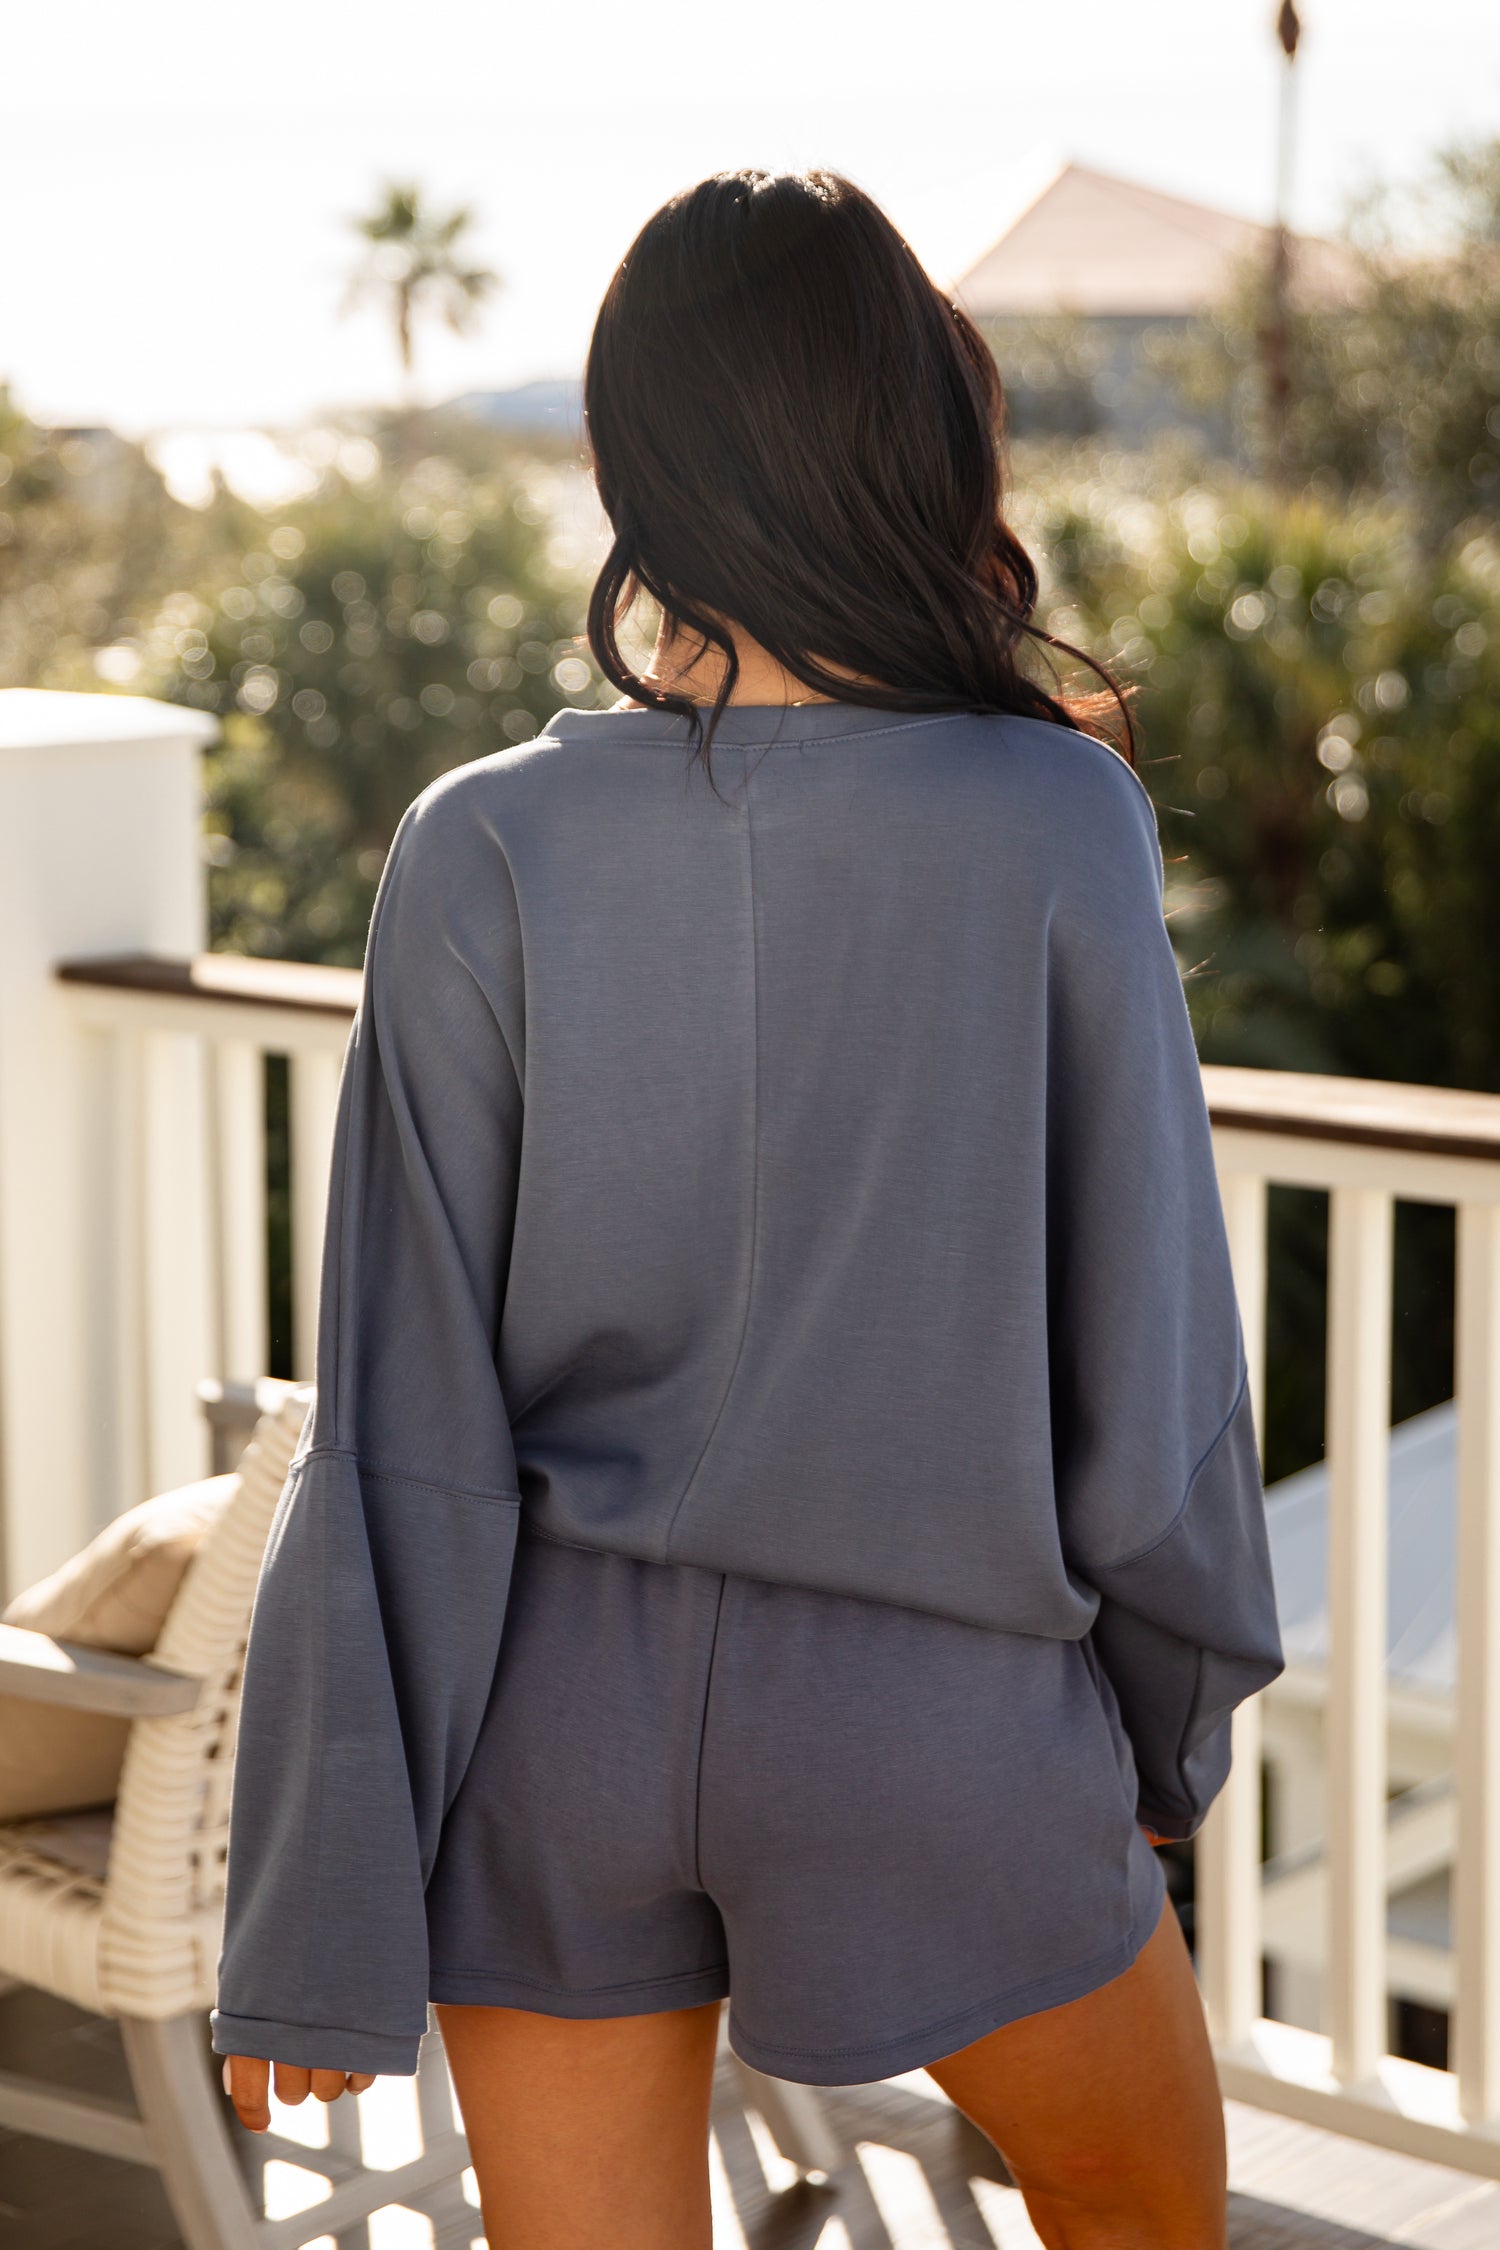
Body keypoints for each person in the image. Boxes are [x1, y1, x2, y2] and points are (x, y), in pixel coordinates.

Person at [213, 169, 1284, 2250]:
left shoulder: (477, 843)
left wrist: (317, 1905)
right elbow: (1150, 1369)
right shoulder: (1055, 816)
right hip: (940, 1723)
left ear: (631, 461)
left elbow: (396, 1418)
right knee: (1143, 2207)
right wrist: (1162, 1734)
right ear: (924, 434)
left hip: (549, 1724)